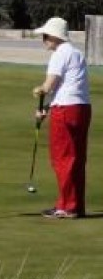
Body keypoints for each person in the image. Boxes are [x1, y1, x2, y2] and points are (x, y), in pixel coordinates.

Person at [32, 16, 90, 219]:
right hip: (81, 108)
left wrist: (39, 91)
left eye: (46, 36)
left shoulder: (59, 54)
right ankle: (76, 205)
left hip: (65, 111)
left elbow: (49, 86)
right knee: (77, 158)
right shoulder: (77, 53)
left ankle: (67, 206)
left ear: (55, 37)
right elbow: (69, 88)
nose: (44, 40)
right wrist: (47, 108)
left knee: (63, 158)